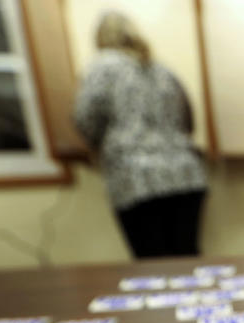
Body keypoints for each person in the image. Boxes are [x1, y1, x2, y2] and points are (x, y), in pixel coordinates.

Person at [74, 12, 207, 258]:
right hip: (186, 172)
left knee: (151, 261)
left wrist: (97, 147)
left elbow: (86, 119)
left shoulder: (101, 66)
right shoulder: (162, 68)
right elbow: (188, 119)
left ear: (101, 38)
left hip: (134, 177)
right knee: (187, 258)